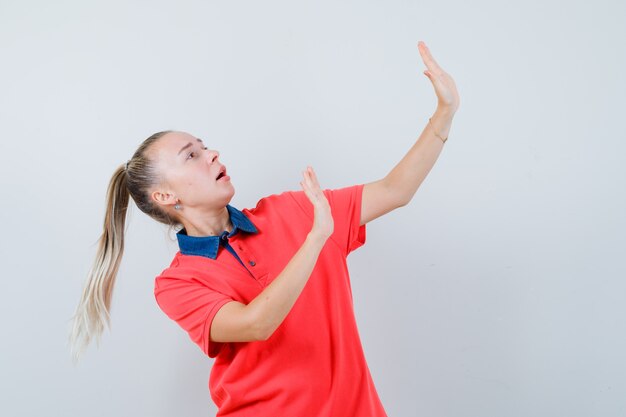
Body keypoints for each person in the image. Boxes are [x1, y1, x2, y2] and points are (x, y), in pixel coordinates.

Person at [68, 40, 459, 416]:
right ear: (165, 196)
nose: (212, 154)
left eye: (204, 146)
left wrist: (445, 110)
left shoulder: (291, 210)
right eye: (191, 156)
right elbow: (256, 323)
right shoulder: (177, 284)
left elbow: (395, 190)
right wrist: (316, 239)